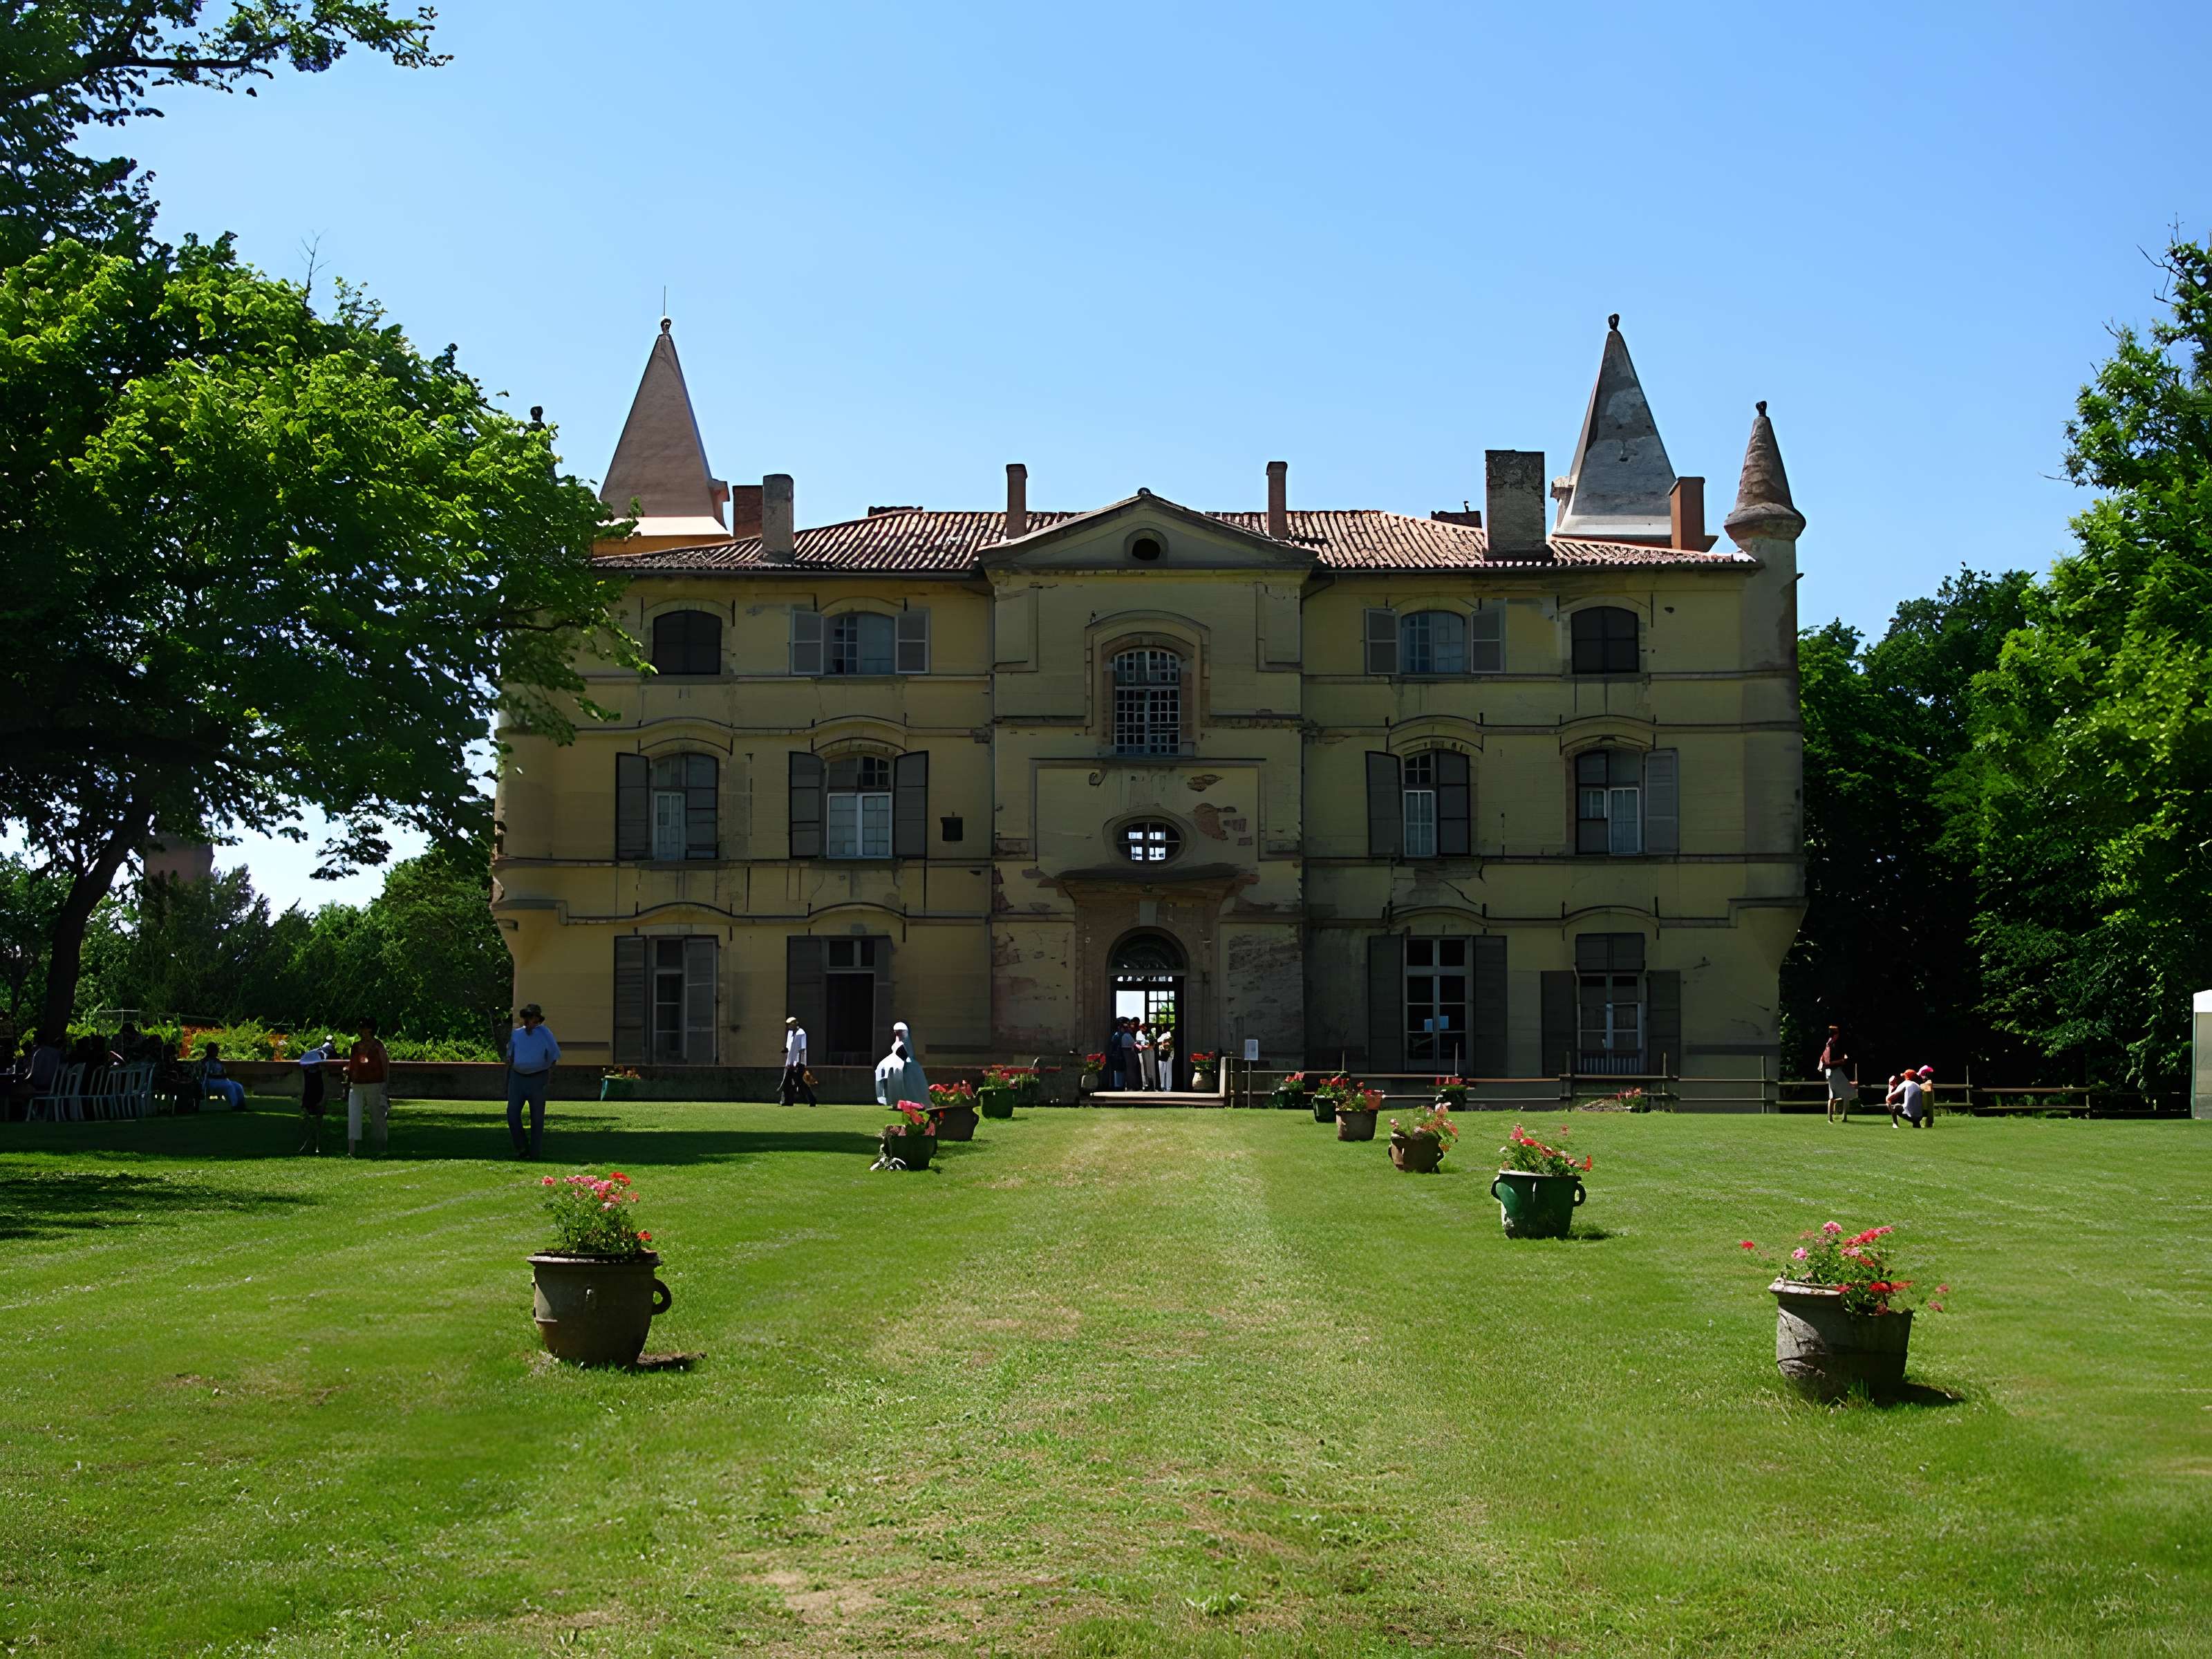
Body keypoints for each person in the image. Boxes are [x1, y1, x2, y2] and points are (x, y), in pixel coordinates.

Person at [505, 1003, 561, 1160]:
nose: (531, 1022)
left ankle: (535, 1152)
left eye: (534, 1019)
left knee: (537, 1116)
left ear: (538, 1019)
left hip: (538, 1077)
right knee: (512, 1113)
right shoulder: (517, 1034)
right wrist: (510, 1060)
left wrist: (548, 1068)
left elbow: (554, 1054)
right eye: (528, 1019)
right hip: (518, 1077)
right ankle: (521, 1147)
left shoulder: (545, 1033)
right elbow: (511, 1054)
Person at [346, 1017, 391, 1156]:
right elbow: (353, 1065)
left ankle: (380, 1146)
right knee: (354, 1115)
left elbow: (385, 1065)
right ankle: (352, 1149)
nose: (361, 1031)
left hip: (375, 1083)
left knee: (377, 1114)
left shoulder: (378, 1046)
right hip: (357, 1084)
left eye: (363, 1028)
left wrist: (385, 1084)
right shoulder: (355, 1046)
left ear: (370, 1030)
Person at [294, 1035, 338, 1152]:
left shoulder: (317, 1055)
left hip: (313, 1091)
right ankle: (313, 1143)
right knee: (315, 1117)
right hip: (314, 1091)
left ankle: (315, 1144)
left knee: (315, 1117)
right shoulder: (318, 1056)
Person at [874, 1033, 928, 1112]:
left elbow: (905, 1054)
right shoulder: (898, 1044)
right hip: (897, 1069)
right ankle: (898, 1104)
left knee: (905, 1087)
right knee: (896, 1087)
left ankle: (906, 1104)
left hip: (903, 1068)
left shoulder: (904, 1043)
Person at [1817, 1025, 1855, 1123]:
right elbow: (1828, 1062)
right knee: (1836, 1095)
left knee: (1842, 1094)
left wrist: (1820, 1064)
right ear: (1836, 1034)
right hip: (1833, 1072)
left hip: (1833, 1072)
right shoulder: (1830, 1045)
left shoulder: (1831, 1043)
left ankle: (1842, 1118)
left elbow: (1823, 1057)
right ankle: (1835, 1119)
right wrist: (1842, 1061)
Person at [778, 1016, 816, 1107]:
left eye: (789, 1025)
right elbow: (789, 1046)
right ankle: (788, 1101)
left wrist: (798, 1063)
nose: (788, 1027)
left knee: (800, 1082)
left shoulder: (801, 1033)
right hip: (790, 1062)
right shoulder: (790, 1033)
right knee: (787, 1082)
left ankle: (812, 1100)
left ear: (795, 1024)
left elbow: (802, 1049)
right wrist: (785, 1050)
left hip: (799, 1063)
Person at [199, 1041, 245, 1110]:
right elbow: (206, 1075)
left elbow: (223, 1073)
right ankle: (235, 1106)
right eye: (215, 1050)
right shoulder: (205, 1062)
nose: (217, 1052)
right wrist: (221, 1076)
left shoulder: (217, 1061)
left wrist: (225, 1075)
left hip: (222, 1080)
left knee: (238, 1086)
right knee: (229, 1086)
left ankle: (241, 1105)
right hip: (211, 1082)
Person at [1137, 1022, 1159, 1091]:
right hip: (1144, 1052)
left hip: (1151, 1051)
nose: (1145, 1028)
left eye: (1146, 1027)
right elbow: (1139, 1043)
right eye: (1143, 1027)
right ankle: (1146, 1085)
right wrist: (1146, 1046)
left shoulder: (1150, 1034)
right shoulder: (1139, 1033)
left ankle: (1153, 1086)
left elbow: (1154, 1042)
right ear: (1140, 1028)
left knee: (1152, 1069)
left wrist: (1152, 1044)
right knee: (1144, 1069)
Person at [1154, 1024, 1177, 1091]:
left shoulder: (1168, 1035)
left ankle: (1166, 1087)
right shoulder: (1162, 1035)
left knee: (1165, 1072)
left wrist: (1162, 1043)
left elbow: (1167, 1043)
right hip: (1164, 1055)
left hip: (1166, 1055)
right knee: (1165, 1072)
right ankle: (1165, 1087)